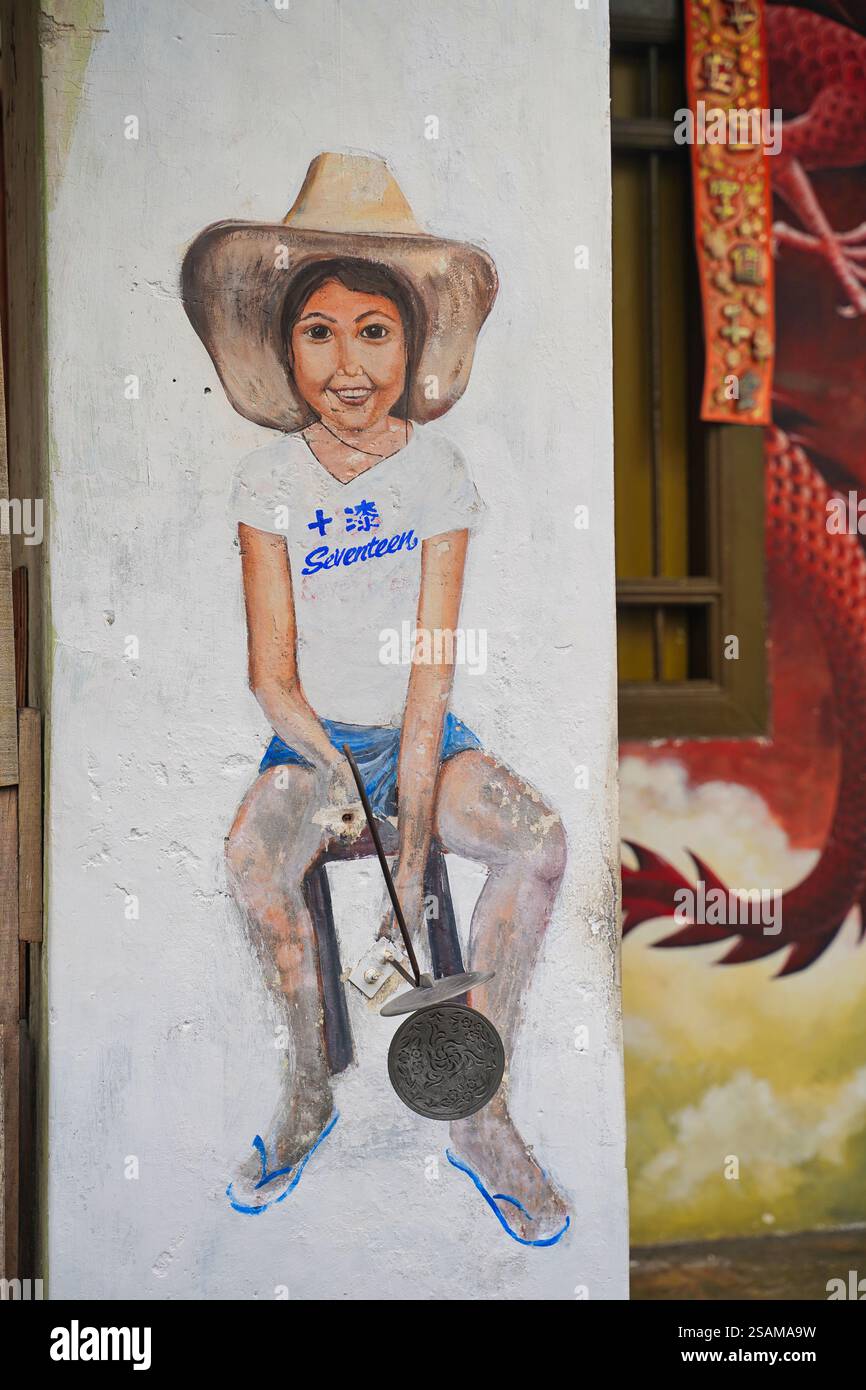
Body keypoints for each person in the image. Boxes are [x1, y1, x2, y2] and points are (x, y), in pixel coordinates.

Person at [182, 153, 569, 1244]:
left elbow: (429, 663)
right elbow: (271, 674)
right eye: (317, 330)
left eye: (371, 331)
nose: (345, 363)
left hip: (423, 739)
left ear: (409, 343)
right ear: (283, 344)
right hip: (314, 748)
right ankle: (308, 1090)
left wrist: (407, 832)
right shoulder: (268, 481)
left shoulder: (435, 475)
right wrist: (336, 775)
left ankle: (478, 1108)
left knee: (536, 840)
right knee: (254, 858)